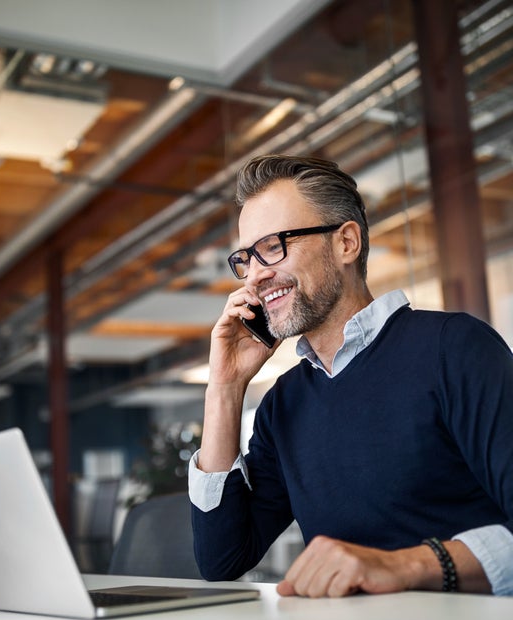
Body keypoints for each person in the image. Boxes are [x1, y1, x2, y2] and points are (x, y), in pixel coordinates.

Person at [188, 155, 513, 597]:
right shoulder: (284, 404)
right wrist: (224, 388)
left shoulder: (453, 348)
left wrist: (406, 566)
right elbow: (221, 560)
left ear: (346, 243)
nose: (257, 275)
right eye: (246, 258)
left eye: (274, 246)